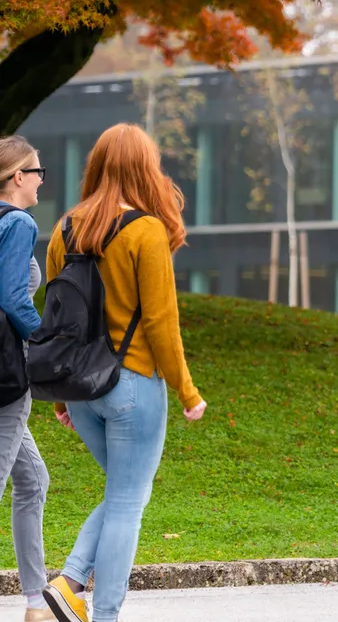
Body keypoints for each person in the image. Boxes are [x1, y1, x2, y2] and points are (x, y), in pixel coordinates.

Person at [41, 124, 208, 622]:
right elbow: (160, 322)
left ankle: (68, 585)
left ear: (96, 165)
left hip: (79, 388)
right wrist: (187, 390)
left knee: (122, 494)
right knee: (129, 503)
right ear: (145, 168)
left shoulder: (63, 228)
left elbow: (55, 317)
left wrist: (61, 396)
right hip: (131, 385)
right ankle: (100, 610)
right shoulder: (145, 231)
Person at [0, 136, 54, 622]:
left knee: (33, 480)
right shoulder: (17, 222)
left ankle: (36, 603)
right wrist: (49, 345)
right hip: (6, 376)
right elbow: (15, 298)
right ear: (18, 176)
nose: (41, 181)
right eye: (37, 172)